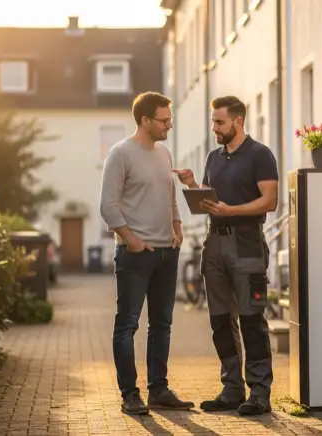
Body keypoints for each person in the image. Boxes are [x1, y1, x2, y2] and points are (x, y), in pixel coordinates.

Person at [173, 95, 279, 416]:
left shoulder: (260, 155)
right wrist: (193, 185)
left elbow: (270, 201)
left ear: (238, 121)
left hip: (247, 244)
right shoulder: (213, 157)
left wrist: (232, 210)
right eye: (213, 122)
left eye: (219, 122)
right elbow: (210, 198)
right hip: (214, 245)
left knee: (250, 319)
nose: (214, 128)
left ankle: (259, 393)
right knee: (220, 320)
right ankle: (232, 389)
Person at [99, 91, 194, 416]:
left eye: (170, 120)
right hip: (135, 255)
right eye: (164, 120)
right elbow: (108, 206)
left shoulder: (164, 153)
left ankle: (158, 390)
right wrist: (131, 240)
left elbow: (169, 195)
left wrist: (178, 225)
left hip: (168, 252)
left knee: (162, 324)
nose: (169, 125)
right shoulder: (120, 153)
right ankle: (130, 394)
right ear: (144, 120)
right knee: (127, 325)